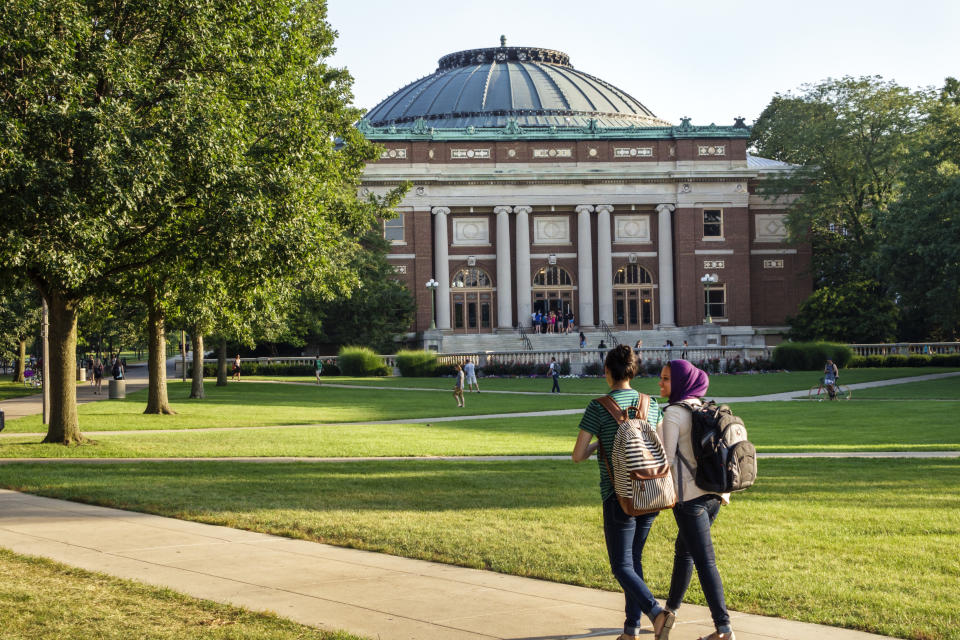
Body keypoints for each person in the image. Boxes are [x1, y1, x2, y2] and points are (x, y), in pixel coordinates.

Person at [572, 345, 673, 640]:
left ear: (607, 372)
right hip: (651, 490)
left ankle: (657, 613)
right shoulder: (650, 402)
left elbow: (578, 455)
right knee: (634, 560)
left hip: (618, 495)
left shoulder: (598, 407)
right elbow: (662, 444)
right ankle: (631, 630)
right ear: (632, 371)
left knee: (621, 566)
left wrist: (598, 445)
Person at [657, 359, 735, 640]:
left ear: (678, 382)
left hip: (690, 500)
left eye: (665, 379)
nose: (660, 383)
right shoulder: (702, 407)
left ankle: (724, 629)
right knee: (684, 551)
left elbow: (664, 461)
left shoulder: (673, 414)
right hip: (715, 495)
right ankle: (669, 612)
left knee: (704, 561)